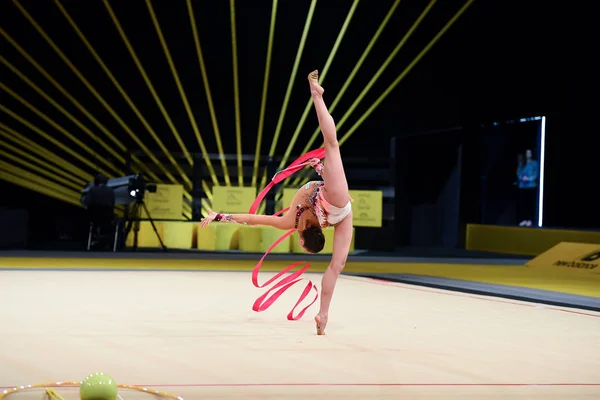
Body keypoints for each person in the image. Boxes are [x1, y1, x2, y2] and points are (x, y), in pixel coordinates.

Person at [200, 70, 354, 335]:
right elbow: (255, 218)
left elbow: (253, 220)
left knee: (337, 265)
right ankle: (317, 95)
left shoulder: (290, 221)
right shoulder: (295, 221)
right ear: (305, 237)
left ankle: (323, 315)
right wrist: (322, 171)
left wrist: (221, 217)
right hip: (338, 202)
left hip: (333, 201)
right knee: (331, 144)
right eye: (303, 246)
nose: (299, 244)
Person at [516, 149, 538, 227]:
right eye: (527, 153)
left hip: (531, 186)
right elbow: (518, 173)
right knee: (523, 204)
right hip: (522, 187)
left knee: (530, 204)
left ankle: (530, 220)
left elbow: (536, 174)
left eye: (529, 153)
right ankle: (523, 219)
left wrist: (529, 179)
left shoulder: (535, 163)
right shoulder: (522, 163)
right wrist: (522, 178)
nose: (528, 154)